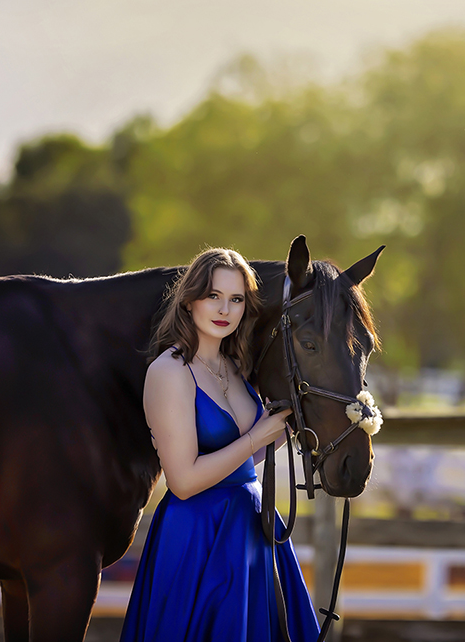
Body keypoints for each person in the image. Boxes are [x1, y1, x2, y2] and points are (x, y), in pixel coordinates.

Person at [120, 248, 321, 641]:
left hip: (250, 529)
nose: (224, 309)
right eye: (213, 295)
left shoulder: (234, 366)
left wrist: (286, 428)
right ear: (190, 299)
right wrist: (253, 439)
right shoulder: (169, 372)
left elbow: (248, 459)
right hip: (198, 535)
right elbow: (183, 481)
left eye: (236, 299)